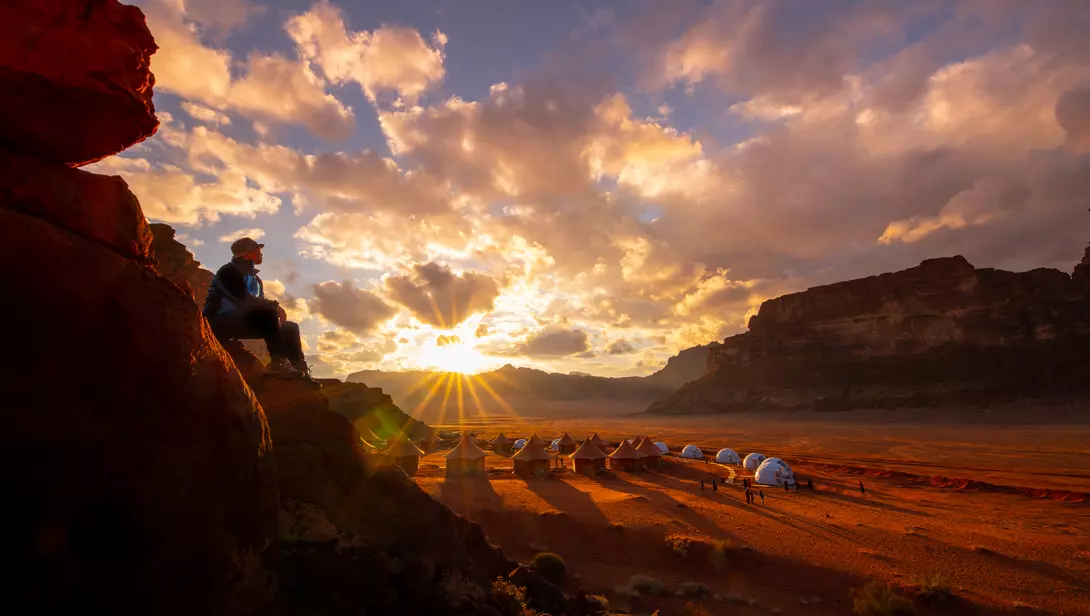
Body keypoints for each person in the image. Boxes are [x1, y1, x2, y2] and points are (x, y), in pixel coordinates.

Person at [203, 237, 311, 377]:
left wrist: (272, 309)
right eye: (257, 250)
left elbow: (257, 303)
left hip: (243, 321)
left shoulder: (256, 279)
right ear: (244, 253)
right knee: (268, 311)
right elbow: (243, 300)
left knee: (290, 327)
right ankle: (278, 363)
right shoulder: (228, 271)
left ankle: (299, 370)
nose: (261, 253)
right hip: (219, 322)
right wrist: (274, 306)